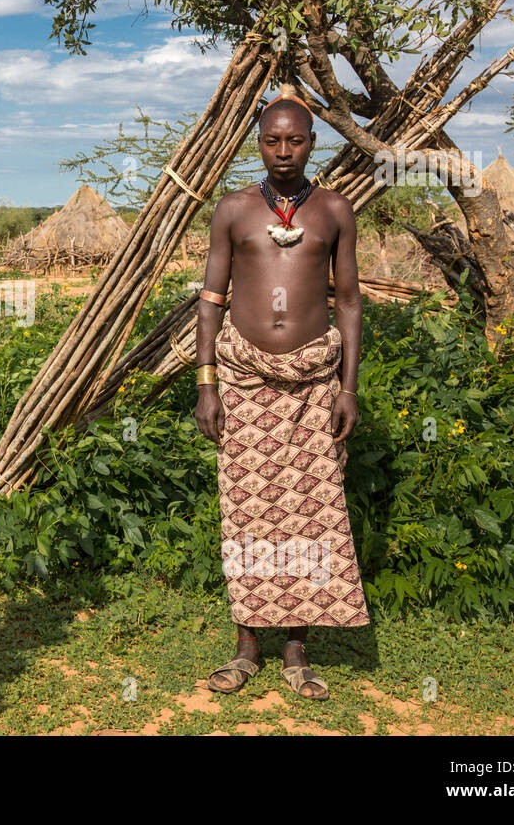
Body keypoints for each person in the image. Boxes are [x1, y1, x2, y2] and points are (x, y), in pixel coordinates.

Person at [193, 92, 370, 701]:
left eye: (296, 140)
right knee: (247, 512)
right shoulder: (234, 211)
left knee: (308, 513)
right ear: (259, 142)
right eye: (273, 140)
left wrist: (348, 387)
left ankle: (296, 651)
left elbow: (347, 302)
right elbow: (211, 300)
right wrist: (207, 383)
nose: (284, 151)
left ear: (312, 143)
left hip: (314, 383)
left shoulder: (334, 211)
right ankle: (246, 648)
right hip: (242, 382)